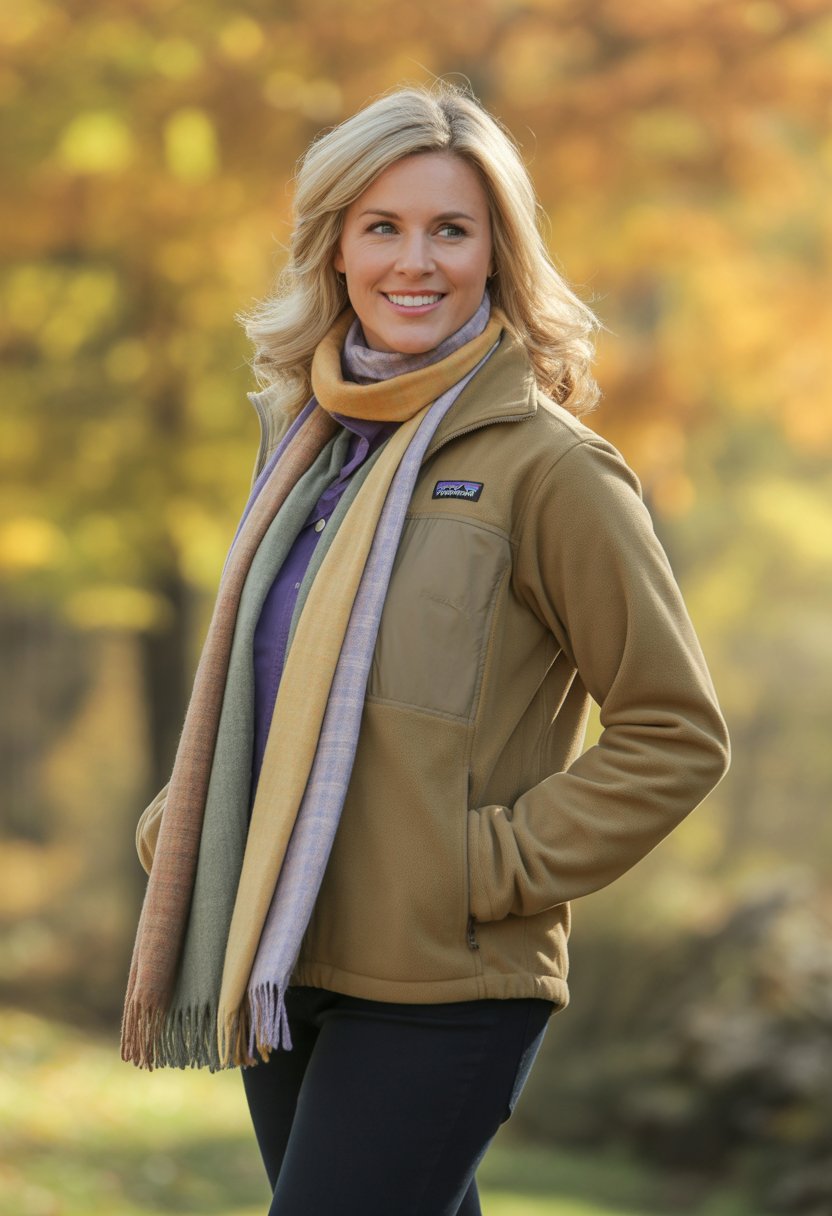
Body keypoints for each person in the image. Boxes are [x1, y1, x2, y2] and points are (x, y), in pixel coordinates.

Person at [122, 82, 730, 1216]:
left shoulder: (553, 471)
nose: (417, 260)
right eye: (383, 226)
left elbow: (674, 734)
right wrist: (198, 815)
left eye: (451, 228)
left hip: (445, 976)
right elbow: (272, 678)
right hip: (283, 951)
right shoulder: (304, 449)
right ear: (336, 249)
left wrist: (482, 869)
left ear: (497, 253)